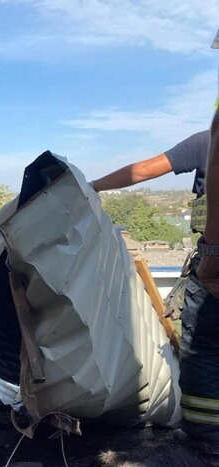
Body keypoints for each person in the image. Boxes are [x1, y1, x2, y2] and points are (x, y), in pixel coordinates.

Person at [173, 105, 219, 464]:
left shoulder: (207, 139)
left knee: (204, 343)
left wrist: (212, 256)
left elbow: (144, 169)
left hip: (215, 264)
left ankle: (205, 438)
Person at [90, 130, 211, 233]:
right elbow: (143, 171)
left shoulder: (207, 141)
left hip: (211, 251)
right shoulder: (206, 141)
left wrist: (93, 186)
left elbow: (143, 170)